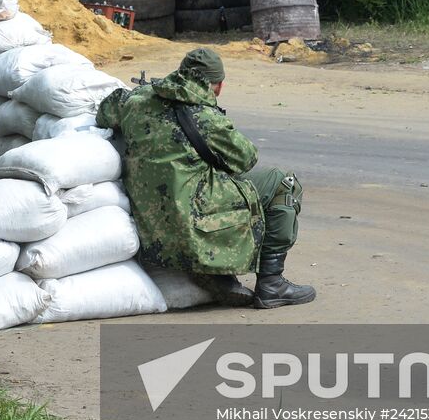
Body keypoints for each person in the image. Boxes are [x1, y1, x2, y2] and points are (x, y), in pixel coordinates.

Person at [96, 48, 315, 308]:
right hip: (193, 220)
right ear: (218, 85)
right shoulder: (205, 117)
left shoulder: (136, 101)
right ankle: (272, 283)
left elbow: (105, 111)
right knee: (282, 182)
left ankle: (216, 276)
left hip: (151, 224)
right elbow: (246, 159)